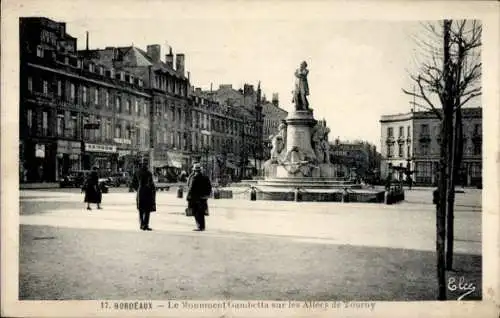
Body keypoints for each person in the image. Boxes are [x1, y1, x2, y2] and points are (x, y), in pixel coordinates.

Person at [131, 161, 156, 231]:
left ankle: (142, 225)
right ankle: (146, 225)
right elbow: (151, 184)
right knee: (147, 210)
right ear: (146, 166)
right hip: (147, 192)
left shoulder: (137, 172)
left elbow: (133, 183)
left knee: (141, 210)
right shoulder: (149, 173)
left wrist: (138, 189)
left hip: (140, 193)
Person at [186, 163, 212, 231]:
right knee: (201, 213)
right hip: (203, 198)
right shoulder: (205, 177)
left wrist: (188, 197)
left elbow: (190, 187)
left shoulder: (194, 178)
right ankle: (202, 226)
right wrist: (207, 195)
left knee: (196, 212)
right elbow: (209, 187)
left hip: (195, 198)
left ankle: (199, 226)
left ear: (194, 170)